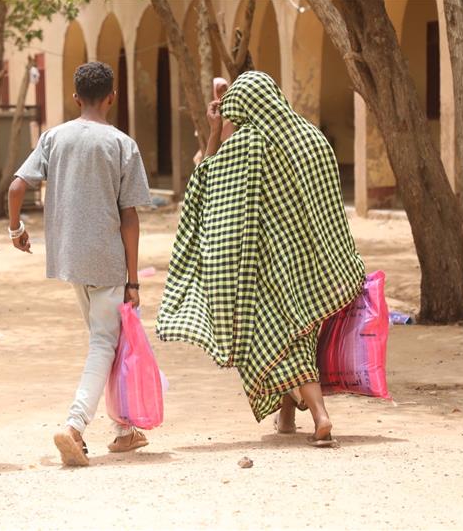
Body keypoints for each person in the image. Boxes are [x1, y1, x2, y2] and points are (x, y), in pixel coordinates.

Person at [156, 71, 366, 447]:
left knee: (285, 339)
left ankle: (320, 416)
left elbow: (206, 176)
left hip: (267, 266)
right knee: (296, 336)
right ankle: (287, 418)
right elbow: (331, 207)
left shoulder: (250, 144)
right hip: (314, 264)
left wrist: (214, 129)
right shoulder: (311, 138)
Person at [8, 62, 153, 466]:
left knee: (104, 340)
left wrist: (15, 229)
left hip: (71, 257)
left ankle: (124, 430)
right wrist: (133, 280)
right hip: (106, 260)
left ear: (75, 98)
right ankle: (74, 427)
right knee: (104, 342)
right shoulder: (122, 144)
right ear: (112, 97)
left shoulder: (54, 137)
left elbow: (17, 186)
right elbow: (129, 215)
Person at [193, 77, 234, 166]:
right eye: (219, 90)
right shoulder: (211, 112)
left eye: (225, 89)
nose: (223, 93)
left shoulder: (232, 110)